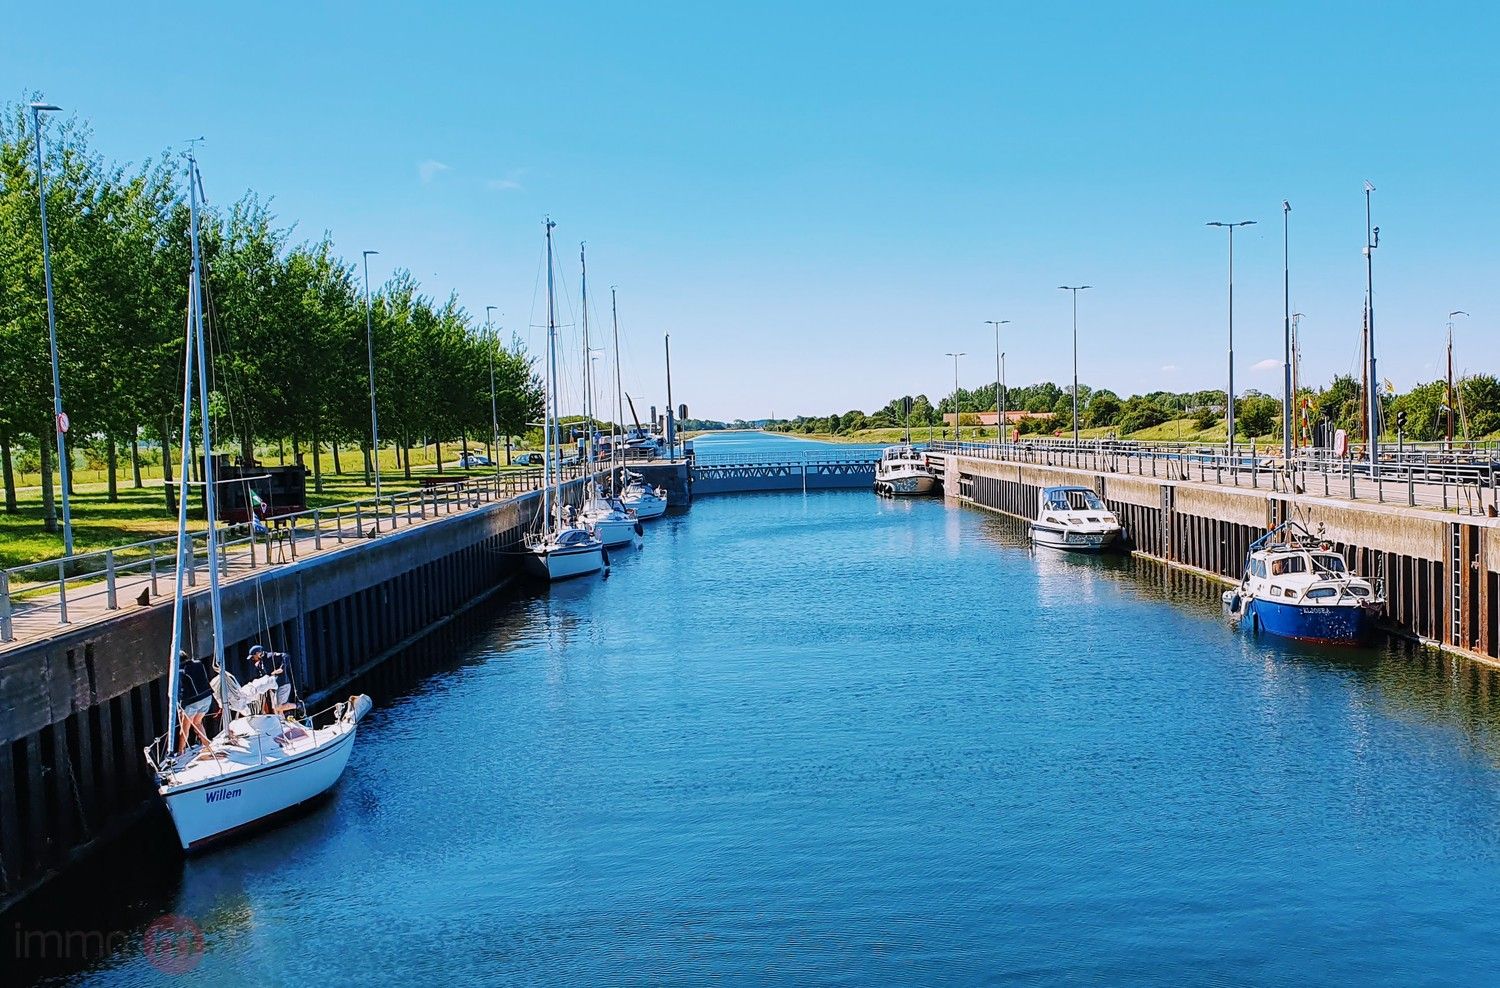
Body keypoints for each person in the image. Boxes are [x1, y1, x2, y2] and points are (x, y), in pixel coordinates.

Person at [176, 651, 215, 753]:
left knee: (184, 730)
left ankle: (181, 752)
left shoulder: (181, 670)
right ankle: (207, 747)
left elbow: (180, 688)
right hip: (207, 697)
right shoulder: (199, 663)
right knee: (197, 722)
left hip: (193, 702)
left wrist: (181, 706)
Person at [246, 644, 296, 715]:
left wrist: (281, 668)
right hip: (274, 686)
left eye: (253, 656)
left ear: (258, 653)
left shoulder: (270, 656)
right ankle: (282, 721)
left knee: (278, 707)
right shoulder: (260, 663)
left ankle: (298, 706)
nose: (252, 659)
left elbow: (285, 656)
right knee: (276, 708)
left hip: (283, 684)